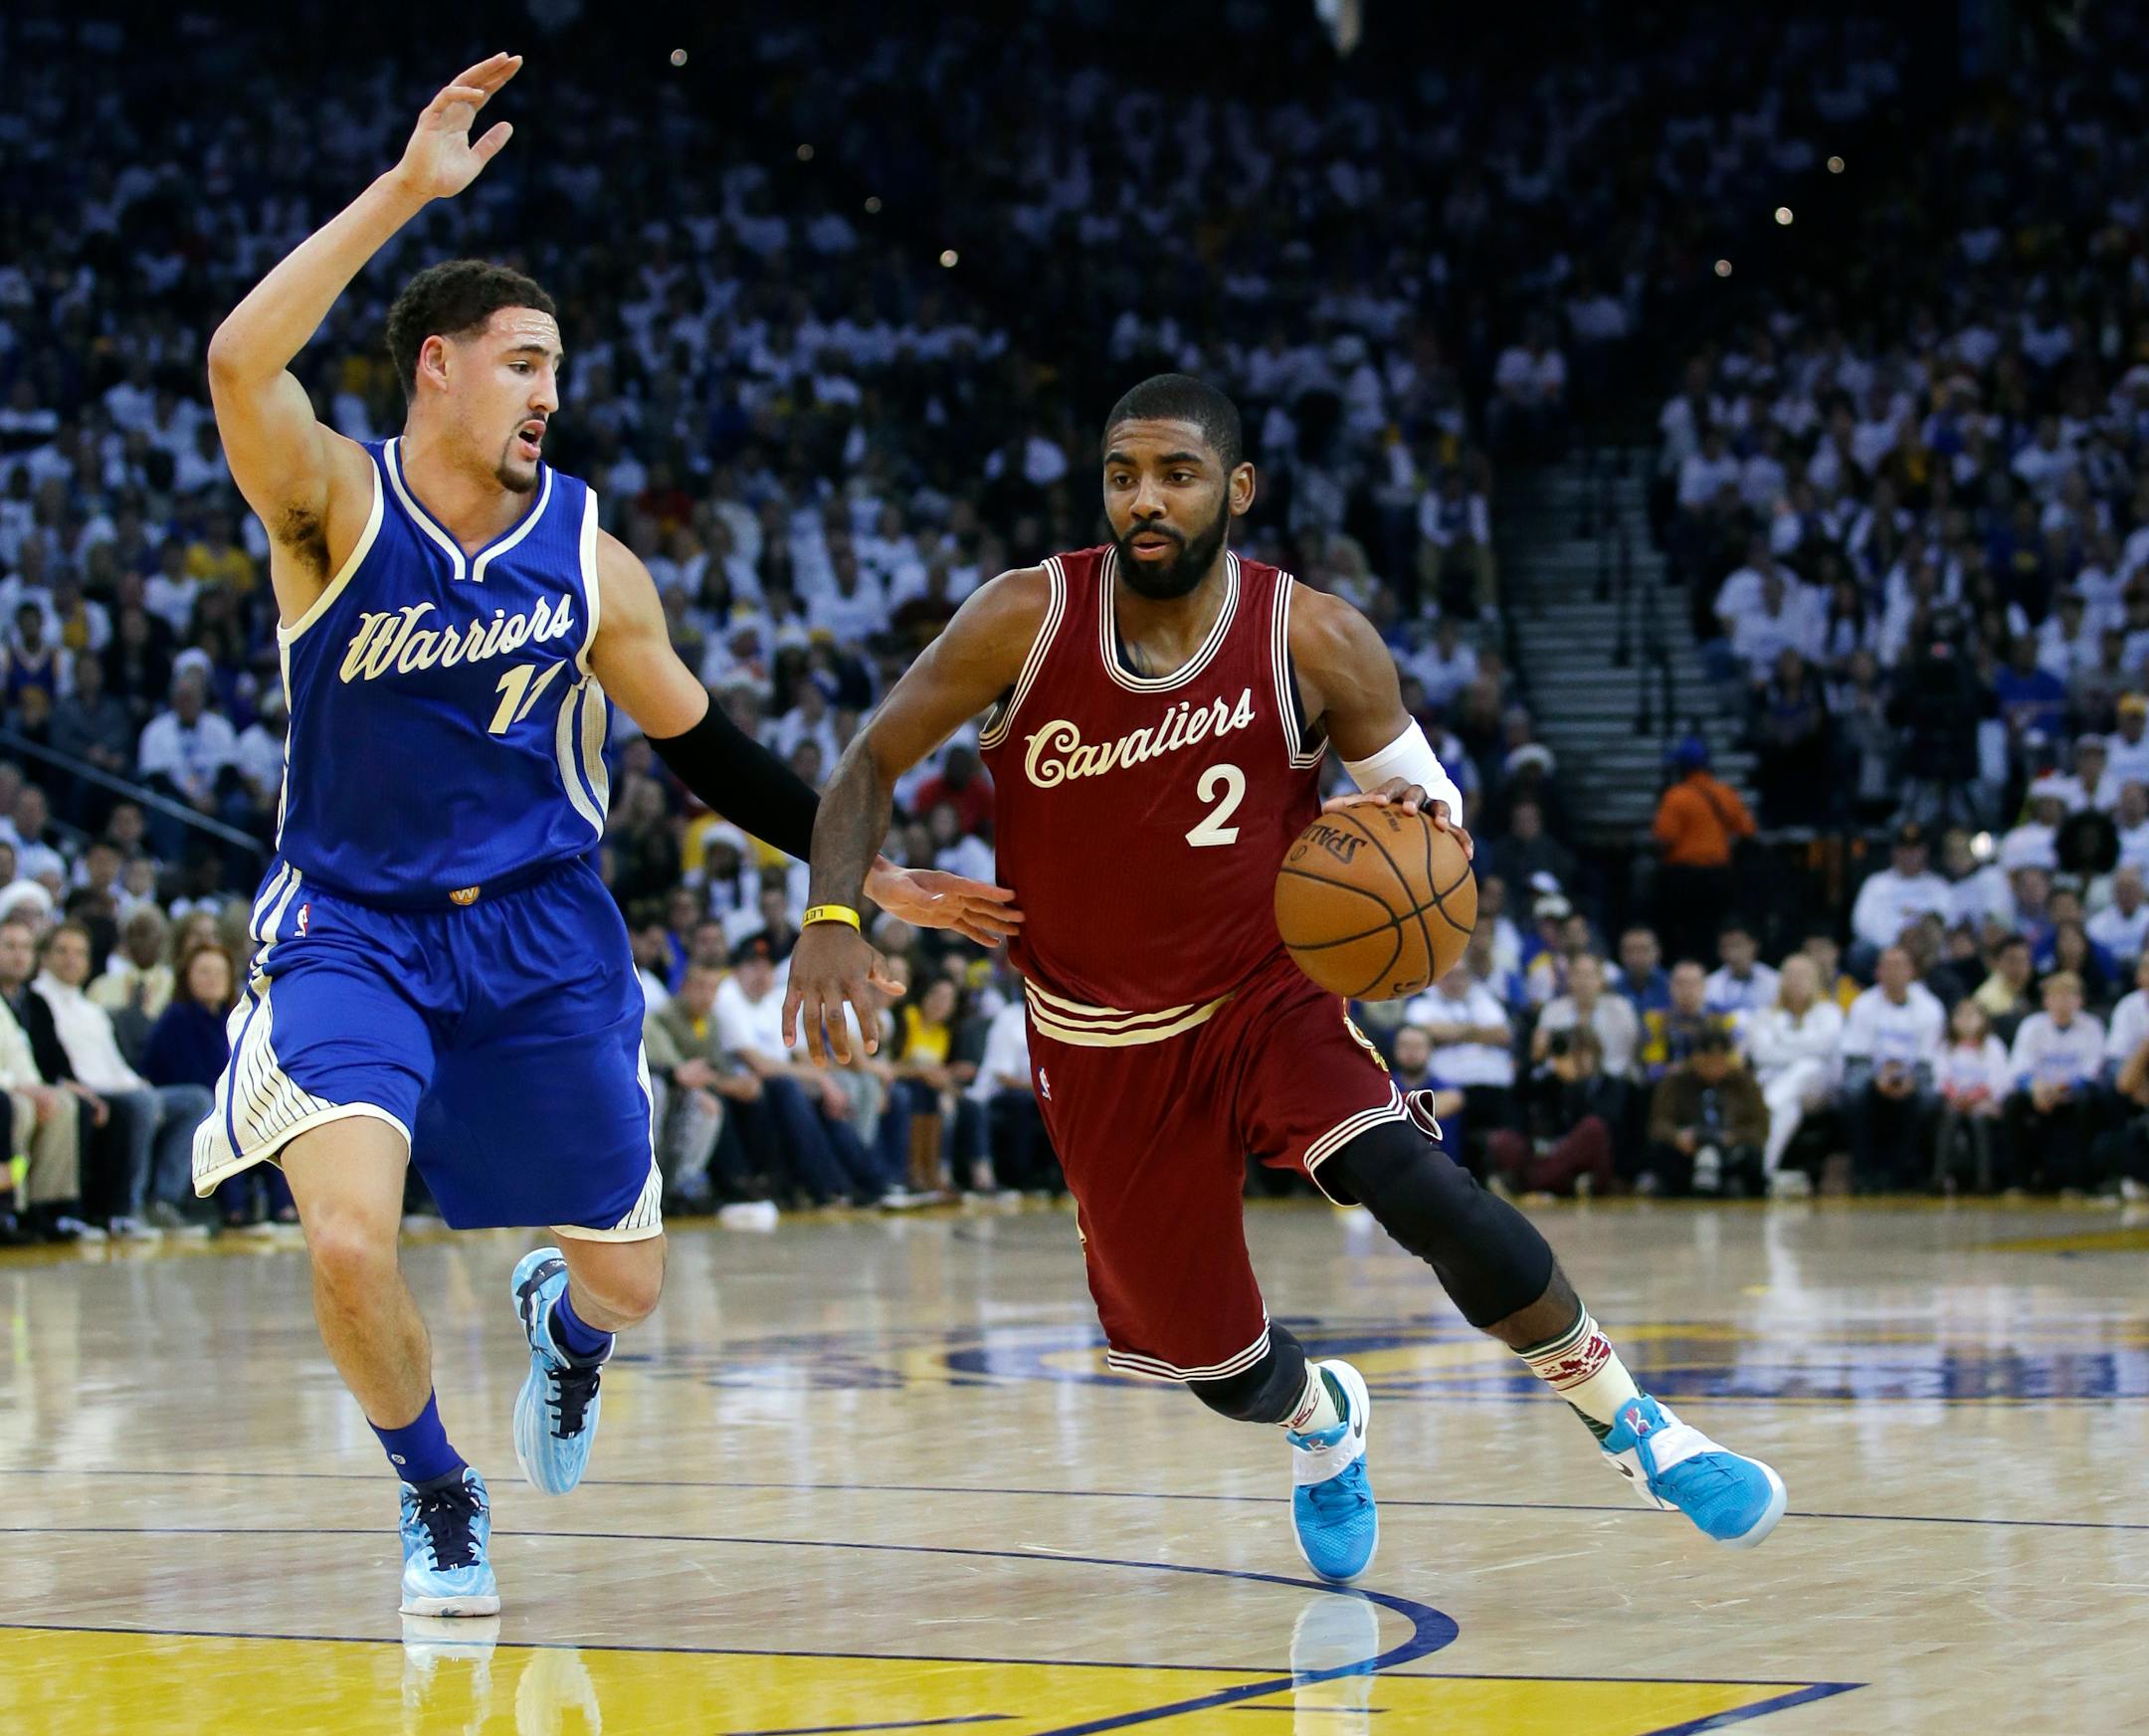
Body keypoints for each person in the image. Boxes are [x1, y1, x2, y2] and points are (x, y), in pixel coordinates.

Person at [191, 56, 1014, 1620]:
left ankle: (564, 1339)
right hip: (352, 927)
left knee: (626, 1281)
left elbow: (702, 743)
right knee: (352, 1244)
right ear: (435, 369)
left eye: (556, 368)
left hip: (543, 929)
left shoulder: (591, 560)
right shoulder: (329, 506)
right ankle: (440, 1491)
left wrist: (857, 874)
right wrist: (409, 192)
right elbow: (241, 359)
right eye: (519, 362)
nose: (547, 392)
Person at [784, 372, 1786, 1587]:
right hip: (1096, 1033)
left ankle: (1639, 1427)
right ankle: (1322, 1417)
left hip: (1266, 995)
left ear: (1238, 489)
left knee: (1420, 1186)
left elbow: (1431, 809)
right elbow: (871, 755)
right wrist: (835, 911)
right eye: (1122, 474)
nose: (1144, 499)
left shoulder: (1314, 636)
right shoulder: (1023, 617)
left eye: (1177, 473)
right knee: (1214, 1363)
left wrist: (1423, 823)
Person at [34, 921, 214, 1235]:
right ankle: (129, 1207)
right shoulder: (38, 1002)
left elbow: (114, 1063)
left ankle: (163, 1201)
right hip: (87, 1090)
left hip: (118, 1087)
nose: (71, 959)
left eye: (79, 953)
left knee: (196, 1100)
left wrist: (138, 1084)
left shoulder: (90, 1009)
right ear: (45, 957)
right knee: (142, 1104)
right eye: (62, 951)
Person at [1840, 946, 1946, 1191]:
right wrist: (1879, 1079)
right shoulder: (1864, 1004)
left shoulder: (1929, 1007)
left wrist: (1906, 1079)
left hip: (1915, 1072)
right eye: (1887, 966)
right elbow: (1857, 1055)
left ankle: (1903, 1172)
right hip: (1871, 1073)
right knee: (1854, 1093)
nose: (1893, 972)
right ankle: (1863, 1172)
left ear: (1911, 971)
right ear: (1878, 972)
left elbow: (1927, 1059)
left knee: (1925, 1098)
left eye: (1899, 966)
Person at [1744, 955, 1844, 1196]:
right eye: (1790, 975)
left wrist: (1783, 1046)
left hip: (1818, 1089)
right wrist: (1801, 1047)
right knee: (1788, 1108)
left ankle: (1768, 1105)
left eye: (1803, 975)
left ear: (1815, 981)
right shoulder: (1764, 1016)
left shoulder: (1830, 1012)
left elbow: (1823, 1049)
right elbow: (1761, 1054)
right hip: (1779, 1087)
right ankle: (1764, 1171)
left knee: (1809, 1067)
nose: (1796, 981)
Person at [1649, 737, 1754, 963]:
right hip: (1719, 878)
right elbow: (1746, 829)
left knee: (1684, 936)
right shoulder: (1725, 793)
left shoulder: (1676, 797)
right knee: (1715, 933)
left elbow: (1664, 838)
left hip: (1685, 879)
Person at [2006, 971, 2107, 1191]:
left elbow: (2092, 1071)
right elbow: (2019, 1068)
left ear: (2080, 1000)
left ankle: (2076, 1182)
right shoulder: (2032, 1026)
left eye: (2069, 996)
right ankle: (2020, 1179)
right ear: (2046, 1000)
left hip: (2073, 1092)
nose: (2062, 1002)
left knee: (2087, 1101)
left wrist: (2061, 1088)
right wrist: (2036, 1088)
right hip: (2038, 1092)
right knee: (2012, 1103)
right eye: (2057, 996)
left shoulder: (2092, 1026)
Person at [1645, 1027, 1767, 1196]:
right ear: (1695, 1058)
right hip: (1686, 1155)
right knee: (1661, 1154)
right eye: (1708, 1061)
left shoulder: (1745, 1084)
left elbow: (1760, 1128)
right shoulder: (1675, 1082)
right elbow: (1658, 1124)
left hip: (1730, 1155)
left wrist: (1733, 1138)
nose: (1714, 1068)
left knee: (1751, 1160)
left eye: (1719, 1061)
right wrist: (1677, 1136)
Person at [1934, 999, 2011, 1194]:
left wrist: (1974, 1097)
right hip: (1954, 1102)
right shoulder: (1946, 1047)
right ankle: (1940, 1176)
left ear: (1983, 1020)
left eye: (1972, 1015)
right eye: (1960, 1015)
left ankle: (1983, 1178)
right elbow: (1941, 1078)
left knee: (1978, 1119)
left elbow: (1998, 1081)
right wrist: (1957, 1097)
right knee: (1950, 1116)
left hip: (1984, 1104)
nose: (1966, 1020)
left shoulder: (1992, 1046)